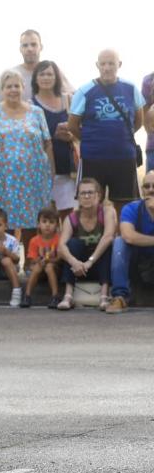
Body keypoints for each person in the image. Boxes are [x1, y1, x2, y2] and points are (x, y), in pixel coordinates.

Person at [0, 71, 53, 240]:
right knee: (1, 221)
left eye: (16, 86)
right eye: (8, 86)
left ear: (23, 88)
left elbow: (47, 144)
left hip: (33, 179)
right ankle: (4, 262)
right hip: (0, 179)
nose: (13, 90)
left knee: (32, 222)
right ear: (2, 90)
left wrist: (50, 175)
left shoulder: (36, 112)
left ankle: (30, 263)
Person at [67, 49, 144, 209]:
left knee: (125, 206)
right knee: (90, 206)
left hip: (124, 157)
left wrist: (120, 137)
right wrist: (92, 139)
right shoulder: (84, 91)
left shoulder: (131, 89)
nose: (107, 68)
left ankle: (122, 234)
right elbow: (72, 125)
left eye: (111, 63)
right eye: (103, 64)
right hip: (93, 158)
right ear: (97, 65)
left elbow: (138, 121)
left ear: (119, 65)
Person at [56, 178, 115, 311]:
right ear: (78, 197)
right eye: (83, 193)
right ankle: (68, 296)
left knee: (108, 245)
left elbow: (108, 236)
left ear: (98, 195)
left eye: (90, 192)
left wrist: (90, 261)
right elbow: (61, 246)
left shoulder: (107, 211)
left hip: (99, 264)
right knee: (72, 243)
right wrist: (74, 262)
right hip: (79, 268)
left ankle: (104, 296)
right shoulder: (71, 218)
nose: (87, 196)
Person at [30, 60, 77, 215]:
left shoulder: (68, 100)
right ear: (35, 78)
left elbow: (79, 131)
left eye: (50, 74)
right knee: (45, 217)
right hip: (42, 169)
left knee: (68, 215)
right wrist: (52, 136)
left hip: (66, 167)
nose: (46, 77)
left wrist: (71, 135)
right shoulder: (30, 104)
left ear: (57, 77)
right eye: (42, 74)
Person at [106, 175, 154, 314]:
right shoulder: (131, 208)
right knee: (119, 242)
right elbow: (128, 236)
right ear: (142, 190)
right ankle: (120, 297)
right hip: (138, 260)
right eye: (147, 186)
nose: (151, 190)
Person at [0, 29, 73, 104]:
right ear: (20, 49)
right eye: (25, 45)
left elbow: (73, 97)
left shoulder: (53, 71)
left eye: (33, 45)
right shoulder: (9, 75)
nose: (29, 49)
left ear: (41, 47)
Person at [22, 208, 61, 308]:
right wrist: (40, 261)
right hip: (40, 268)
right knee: (37, 267)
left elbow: (61, 259)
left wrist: (50, 260)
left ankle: (55, 296)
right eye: (44, 222)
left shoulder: (59, 239)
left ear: (57, 225)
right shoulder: (34, 240)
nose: (47, 225)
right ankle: (27, 295)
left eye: (51, 222)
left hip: (55, 269)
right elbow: (32, 259)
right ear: (38, 224)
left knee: (49, 267)